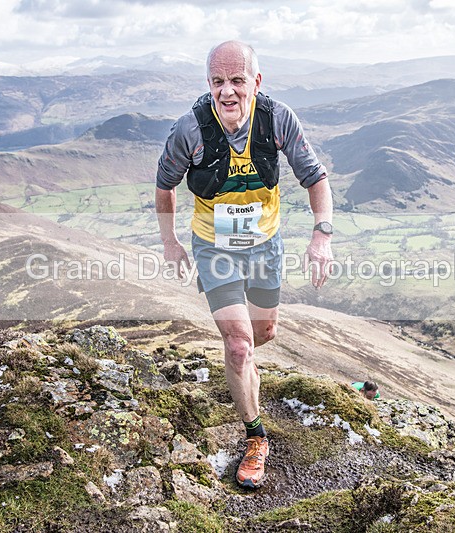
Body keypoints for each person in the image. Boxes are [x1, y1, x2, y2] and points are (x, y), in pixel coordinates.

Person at [155, 40, 333, 489]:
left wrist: (321, 235)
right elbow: (165, 185)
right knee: (237, 345)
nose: (227, 92)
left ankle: (244, 370)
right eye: (218, 82)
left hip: (265, 245)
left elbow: (316, 179)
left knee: (261, 334)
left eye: (237, 80)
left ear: (257, 81)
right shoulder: (189, 130)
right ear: (208, 84)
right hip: (214, 247)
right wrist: (170, 242)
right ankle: (256, 437)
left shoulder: (277, 119)